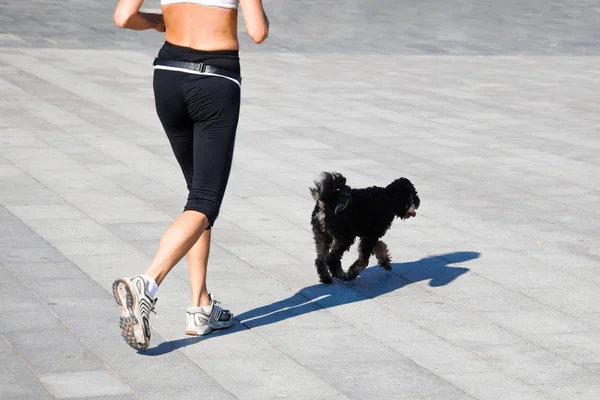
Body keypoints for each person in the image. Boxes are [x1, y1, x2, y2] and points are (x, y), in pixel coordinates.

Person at [111, 0, 269, 351]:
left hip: (167, 76)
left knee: (195, 194)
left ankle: (200, 306)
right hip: (215, 80)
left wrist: (156, 22)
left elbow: (123, 18)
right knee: (204, 200)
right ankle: (146, 285)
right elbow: (258, 32)